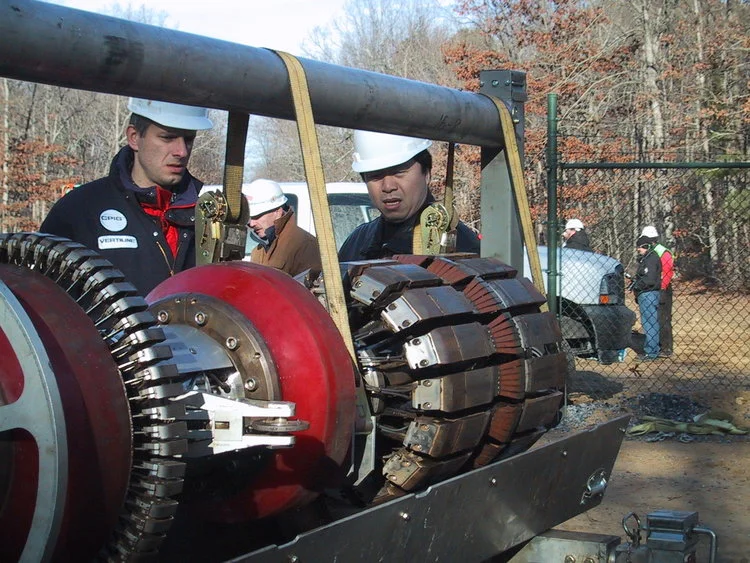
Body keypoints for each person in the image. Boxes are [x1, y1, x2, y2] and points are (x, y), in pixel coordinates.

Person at [40, 97, 213, 296]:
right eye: (167, 137)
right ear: (134, 137)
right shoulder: (79, 210)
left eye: (188, 139)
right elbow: (45, 300)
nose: (181, 151)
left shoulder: (208, 217)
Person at [338, 130, 480, 261]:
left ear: (426, 174)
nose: (388, 186)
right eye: (376, 175)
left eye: (399, 172)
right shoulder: (356, 244)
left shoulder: (462, 247)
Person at [245, 179, 321, 276]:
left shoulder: (307, 246)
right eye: (250, 217)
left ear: (278, 212)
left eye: (257, 216)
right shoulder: (257, 252)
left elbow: (310, 285)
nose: (251, 223)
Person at [641, 225, 674, 358]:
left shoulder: (662, 252)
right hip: (654, 287)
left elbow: (667, 272)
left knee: (663, 318)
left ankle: (666, 348)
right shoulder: (649, 251)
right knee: (654, 318)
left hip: (662, 288)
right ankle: (656, 345)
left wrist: (662, 289)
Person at [630, 235, 662, 361]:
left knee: (650, 323)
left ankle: (651, 352)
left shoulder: (651, 259)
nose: (638, 249)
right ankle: (652, 349)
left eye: (640, 247)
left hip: (648, 293)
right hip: (647, 293)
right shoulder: (648, 258)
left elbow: (649, 279)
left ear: (646, 246)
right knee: (650, 322)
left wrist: (637, 286)